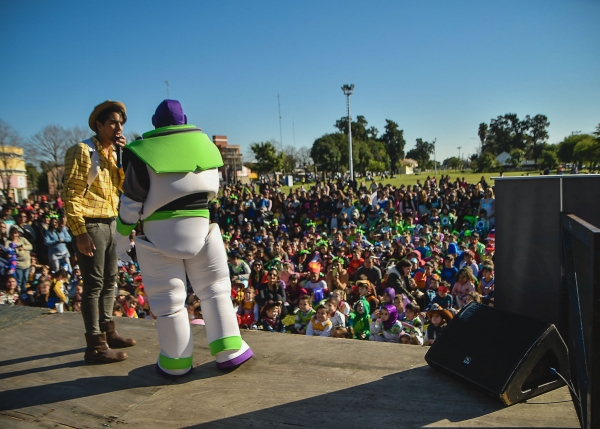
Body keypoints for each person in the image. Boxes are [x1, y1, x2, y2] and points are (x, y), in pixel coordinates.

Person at [115, 99, 252, 376]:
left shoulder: (143, 153)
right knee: (216, 291)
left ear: (156, 122)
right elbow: (212, 190)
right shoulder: (207, 147)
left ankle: (176, 361)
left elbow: (130, 203)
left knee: (169, 302)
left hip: (158, 236)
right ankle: (230, 350)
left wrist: (120, 237)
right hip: (202, 229)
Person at [64, 100, 135, 364]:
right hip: (91, 224)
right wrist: (79, 231)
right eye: (113, 122)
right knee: (94, 285)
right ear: (99, 125)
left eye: (121, 123)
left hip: (110, 221)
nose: (118, 127)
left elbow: (122, 187)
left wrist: (123, 156)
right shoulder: (82, 151)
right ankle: (94, 346)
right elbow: (70, 193)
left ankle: (108, 332)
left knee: (110, 281)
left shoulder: (114, 153)